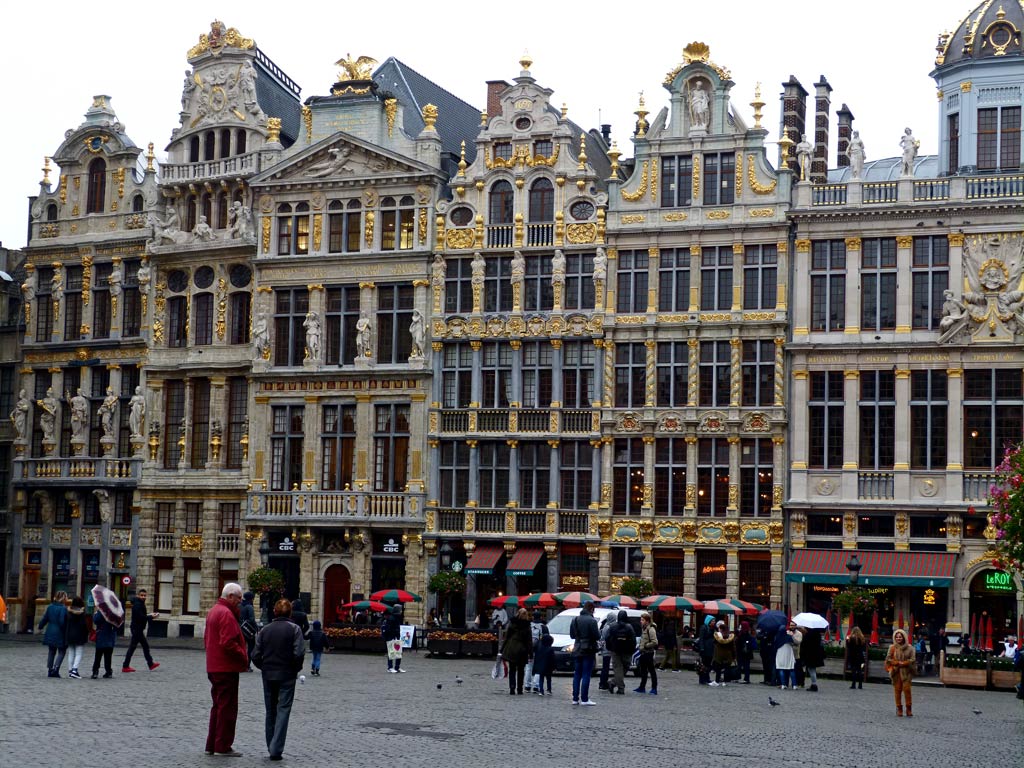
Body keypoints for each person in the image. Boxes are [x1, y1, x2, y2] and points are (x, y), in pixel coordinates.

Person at [253, 599, 305, 761]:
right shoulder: (294, 629)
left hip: (268, 674)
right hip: (287, 674)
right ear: (290, 613)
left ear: (274, 612)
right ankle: (276, 748)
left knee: (271, 710)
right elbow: (299, 653)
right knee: (283, 709)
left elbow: (255, 654)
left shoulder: (265, 630)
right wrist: (294, 669)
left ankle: (271, 745)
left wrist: (264, 666)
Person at [204, 583, 248, 757]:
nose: (240, 601)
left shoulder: (214, 610)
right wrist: (243, 655)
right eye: (238, 598)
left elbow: (208, 638)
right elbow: (228, 642)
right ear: (230, 596)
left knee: (218, 706)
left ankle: (212, 744)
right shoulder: (226, 614)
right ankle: (222, 745)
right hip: (225, 667)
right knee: (227, 708)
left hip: (214, 665)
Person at [569, 601, 600, 705]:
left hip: (577, 648)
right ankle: (585, 699)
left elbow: (572, 635)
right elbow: (597, 636)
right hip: (588, 649)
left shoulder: (575, 619)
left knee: (577, 674)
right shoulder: (592, 621)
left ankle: (575, 698)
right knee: (586, 674)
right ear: (591, 609)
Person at [122, 589, 159, 673]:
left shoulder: (139, 603)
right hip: (137, 629)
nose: (143, 597)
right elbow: (140, 617)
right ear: (138, 595)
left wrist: (149, 615)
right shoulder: (138, 605)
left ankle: (150, 664)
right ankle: (125, 666)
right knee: (133, 647)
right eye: (142, 595)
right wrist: (151, 617)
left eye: (145, 595)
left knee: (144, 646)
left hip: (138, 628)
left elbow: (141, 615)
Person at [501, 608, 532, 695]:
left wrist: (502, 649)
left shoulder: (512, 623)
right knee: (521, 670)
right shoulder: (527, 626)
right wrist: (530, 653)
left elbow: (507, 637)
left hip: (512, 647)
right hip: (522, 649)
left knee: (512, 669)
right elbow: (529, 641)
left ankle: (512, 687)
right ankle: (519, 689)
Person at [885, 627, 916, 717]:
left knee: (907, 690)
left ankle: (909, 709)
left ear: (904, 637)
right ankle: (899, 708)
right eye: (897, 637)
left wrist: (905, 663)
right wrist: (897, 663)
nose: (898, 638)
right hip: (896, 672)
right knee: (897, 691)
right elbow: (888, 659)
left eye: (900, 637)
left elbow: (913, 659)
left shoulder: (910, 648)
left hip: (906, 673)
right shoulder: (892, 648)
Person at [38, 591, 68, 677]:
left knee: (51, 651)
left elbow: (45, 618)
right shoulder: (63, 608)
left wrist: (40, 626)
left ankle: (50, 669)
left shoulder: (50, 607)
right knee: (62, 651)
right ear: (63, 598)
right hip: (59, 632)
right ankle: (56, 669)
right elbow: (62, 622)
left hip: (50, 631)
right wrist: (65, 630)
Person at [606, 610, 636, 695]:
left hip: (615, 650)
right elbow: (633, 640)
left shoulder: (612, 626)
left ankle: (614, 683)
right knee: (625, 667)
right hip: (626, 651)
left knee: (618, 668)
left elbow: (607, 638)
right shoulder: (629, 627)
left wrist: (609, 648)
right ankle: (620, 687)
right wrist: (632, 649)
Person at [64, 595, 89, 679]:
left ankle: (70, 670)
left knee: (71, 652)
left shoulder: (68, 611)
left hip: (70, 634)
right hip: (79, 634)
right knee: (78, 653)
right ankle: (75, 670)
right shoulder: (82, 613)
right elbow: (84, 625)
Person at [634, 612, 659, 695]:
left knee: (652, 671)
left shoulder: (651, 629)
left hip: (648, 653)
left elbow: (655, 642)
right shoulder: (644, 628)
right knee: (643, 671)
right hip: (643, 653)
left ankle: (654, 688)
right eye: (641, 620)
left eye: (642, 620)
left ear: (647, 621)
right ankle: (642, 687)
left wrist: (646, 646)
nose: (641, 621)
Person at [524, 609, 548, 692]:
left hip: (529, 649)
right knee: (538, 668)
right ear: (541, 617)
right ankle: (536, 686)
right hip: (540, 650)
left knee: (528, 667)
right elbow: (547, 639)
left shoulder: (528, 625)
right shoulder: (544, 627)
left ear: (533, 617)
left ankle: (527, 685)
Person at [90, 607, 117, 679]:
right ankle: (108, 672)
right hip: (110, 637)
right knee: (108, 656)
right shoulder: (113, 612)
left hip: (101, 636)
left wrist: (96, 613)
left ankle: (95, 672)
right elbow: (116, 625)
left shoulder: (101, 611)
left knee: (98, 656)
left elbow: (96, 620)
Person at [775, 621, 802, 690]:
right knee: (791, 669)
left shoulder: (777, 637)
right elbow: (793, 643)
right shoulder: (788, 636)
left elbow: (775, 645)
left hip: (780, 653)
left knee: (781, 669)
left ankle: (783, 684)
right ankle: (794, 685)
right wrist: (790, 635)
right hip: (789, 654)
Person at [711, 620, 736, 687]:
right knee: (727, 669)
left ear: (721, 629)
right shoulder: (730, 636)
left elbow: (714, 643)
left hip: (719, 654)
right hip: (728, 654)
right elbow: (733, 647)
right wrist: (734, 656)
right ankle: (724, 682)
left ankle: (717, 681)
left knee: (718, 668)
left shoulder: (718, 636)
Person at [800, 626, 825, 691]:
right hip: (816, 655)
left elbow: (804, 644)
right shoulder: (818, 634)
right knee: (812, 669)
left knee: (811, 669)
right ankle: (813, 684)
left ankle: (814, 684)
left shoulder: (808, 635)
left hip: (810, 655)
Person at [598, 611, 617, 691]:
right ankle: (603, 683)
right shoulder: (609, 627)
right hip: (607, 649)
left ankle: (602, 683)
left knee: (605, 667)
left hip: (605, 648)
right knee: (605, 667)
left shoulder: (605, 625)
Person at [238, 591, 257, 671]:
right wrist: (256, 627)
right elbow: (252, 619)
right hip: (248, 631)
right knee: (250, 648)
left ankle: (240, 664)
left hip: (239, 629)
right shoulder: (249, 607)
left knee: (241, 647)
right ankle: (247, 665)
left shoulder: (239, 605)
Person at [382, 605, 404, 673]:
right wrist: (392, 636)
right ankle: (390, 667)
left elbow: (397, 628)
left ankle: (397, 667)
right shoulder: (391, 618)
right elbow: (389, 629)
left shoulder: (397, 617)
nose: (401, 611)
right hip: (391, 637)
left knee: (398, 652)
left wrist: (398, 635)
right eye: (400, 610)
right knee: (391, 652)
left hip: (396, 637)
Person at [696, 615, 715, 685]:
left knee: (708, 664)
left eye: (714, 621)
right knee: (704, 664)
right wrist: (702, 648)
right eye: (712, 621)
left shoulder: (712, 628)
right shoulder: (703, 627)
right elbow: (701, 638)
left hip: (710, 649)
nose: (714, 622)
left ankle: (707, 678)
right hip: (705, 648)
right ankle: (702, 679)